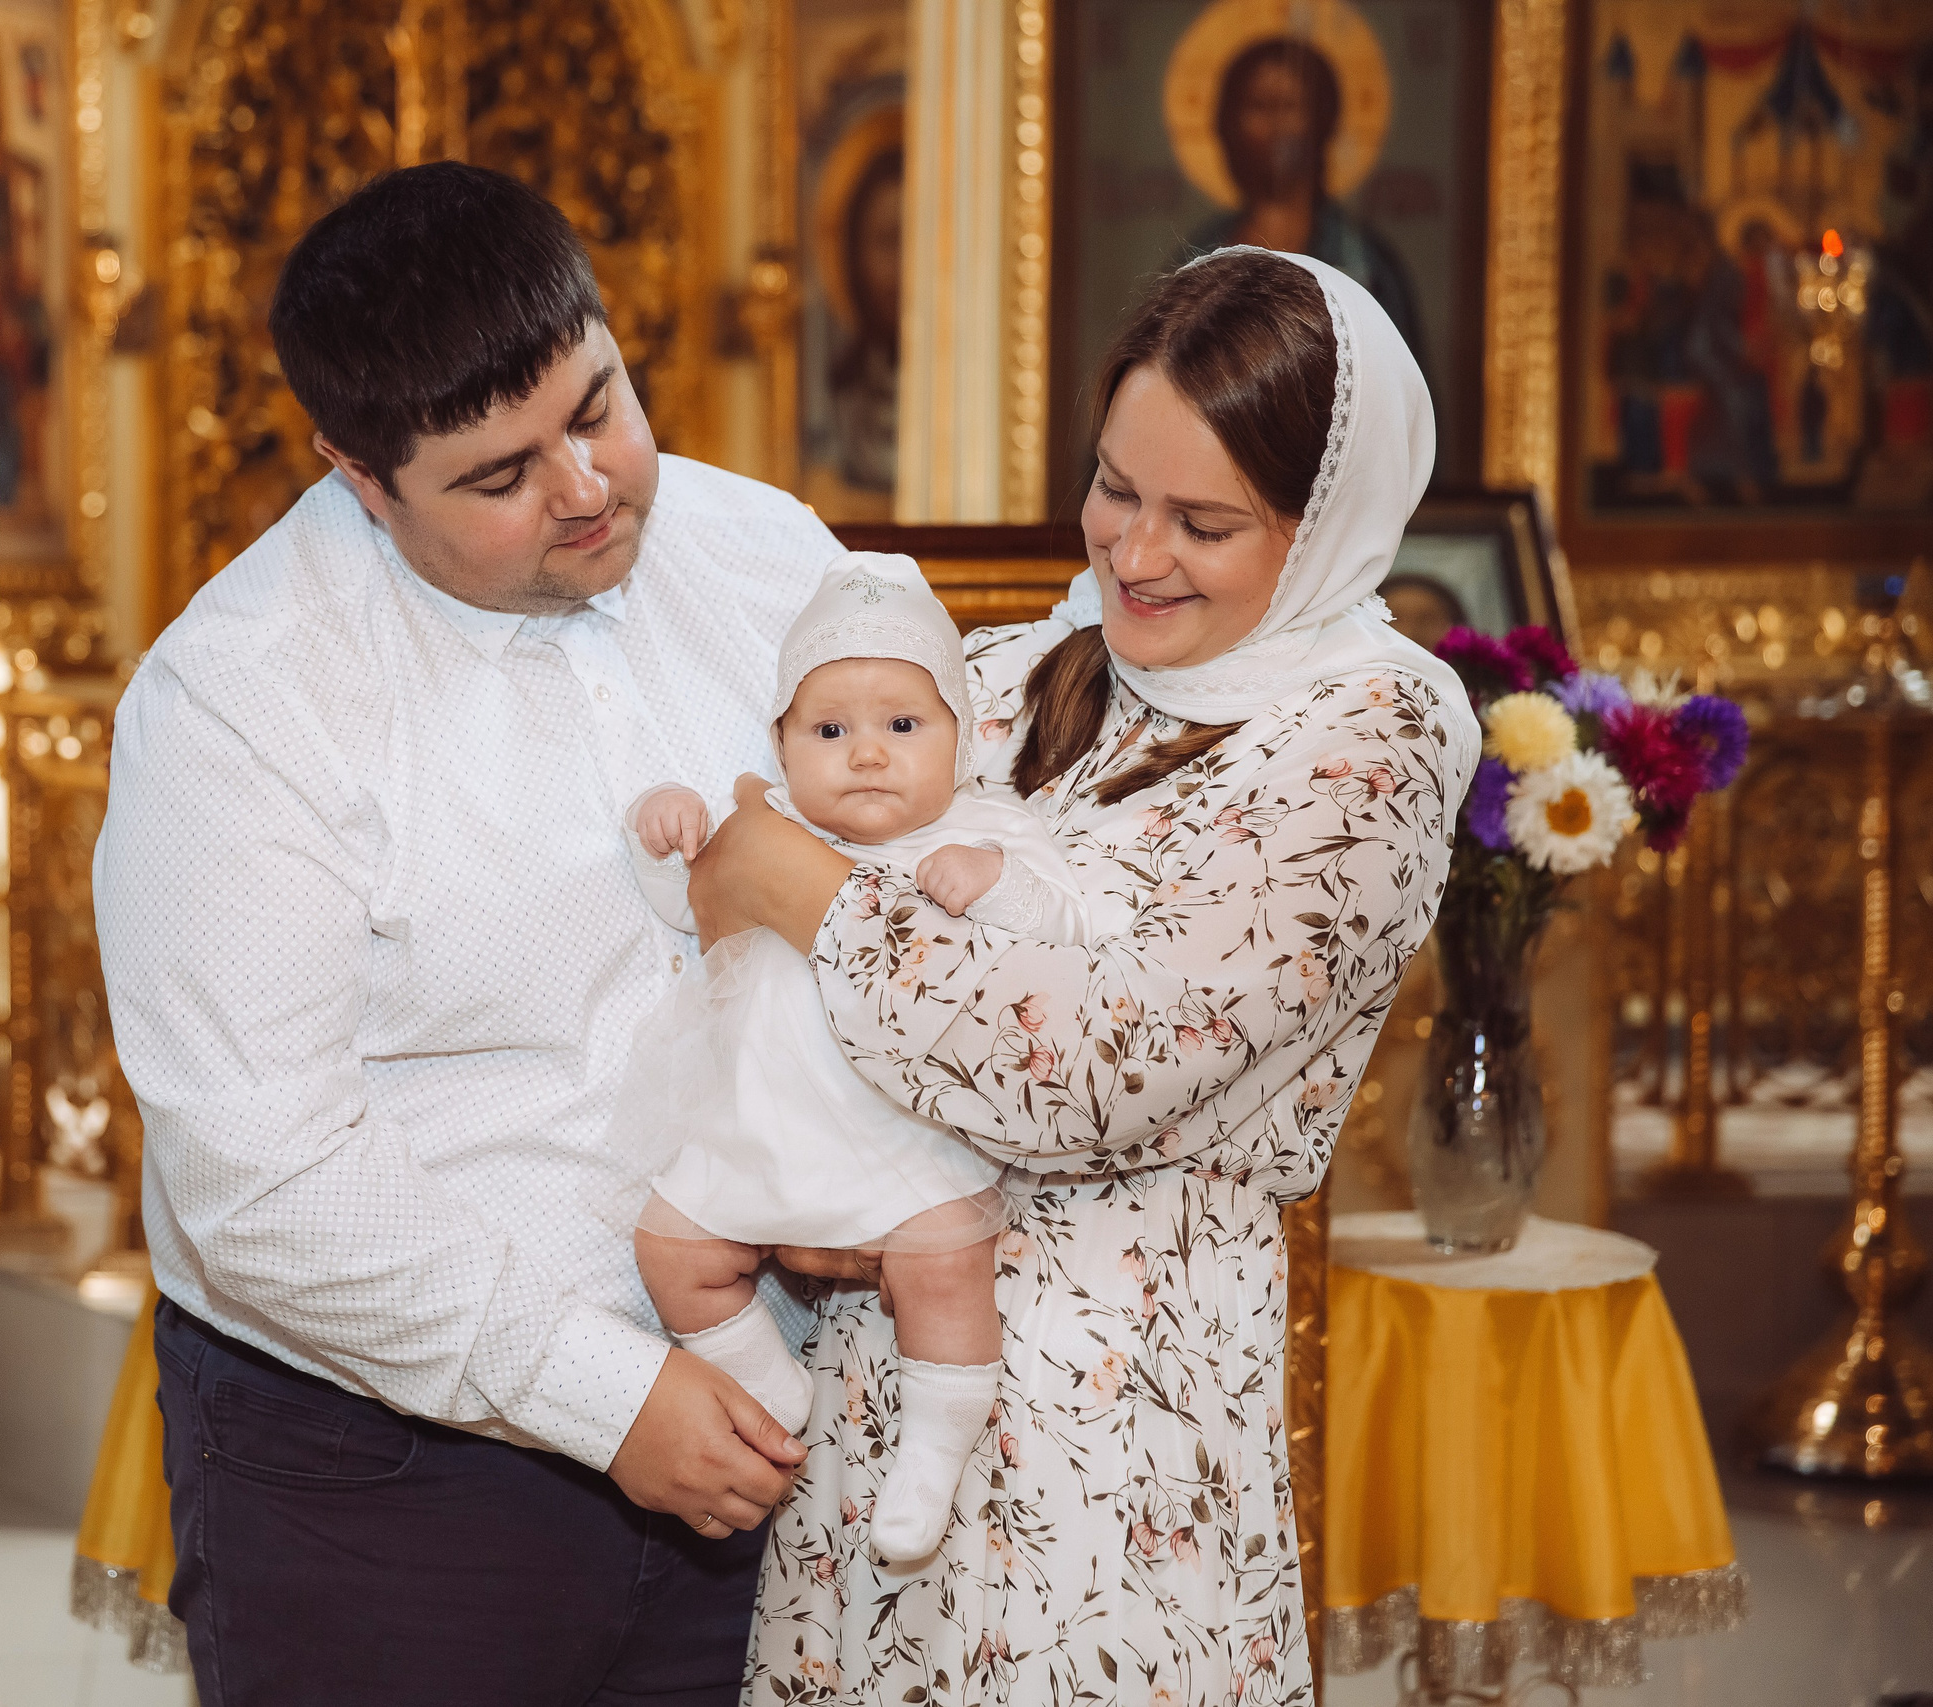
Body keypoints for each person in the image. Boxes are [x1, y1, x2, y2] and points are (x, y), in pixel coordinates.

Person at [94, 161, 842, 1706]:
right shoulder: (243, 695)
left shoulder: (767, 554)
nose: (583, 486)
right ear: (363, 479)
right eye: (497, 476)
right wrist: (608, 1390)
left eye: (600, 404)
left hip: (768, 1385)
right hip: (379, 1471)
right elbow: (264, 1169)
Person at [696, 247, 1479, 1703]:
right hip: (867, 1399)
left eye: (1206, 521)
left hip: (1114, 1447)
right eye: (1117, 487)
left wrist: (806, 899)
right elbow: (761, 881)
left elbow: (1100, 1065)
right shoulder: (1014, 665)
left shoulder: (1373, 730)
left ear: (1322, 532)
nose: (1135, 554)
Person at [618, 559, 1100, 1566]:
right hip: (756, 1128)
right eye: (828, 732)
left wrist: (997, 884)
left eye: (902, 727)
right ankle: (771, 1385)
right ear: (782, 746)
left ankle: (934, 1449)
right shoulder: (765, 827)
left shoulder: (988, 829)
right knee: (672, 1249)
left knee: (946, 1269)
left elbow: (1067, 927)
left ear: (959, 744)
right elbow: (686, 916)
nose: (867, 755)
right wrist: (667, 840)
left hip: (898, 1140)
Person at [1177, 36, 1425, 374]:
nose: (1276, 126)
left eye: (1289, 106)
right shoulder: (1200, 255)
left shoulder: (1364, 262)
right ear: (1229, 124)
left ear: (1322, 122)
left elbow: (1398, 392)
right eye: (1259, 107)